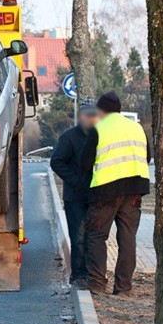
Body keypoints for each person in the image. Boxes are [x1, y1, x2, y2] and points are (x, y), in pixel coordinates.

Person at [81, 91, 151, 295]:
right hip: (135, 189)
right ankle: (123, 287)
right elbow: (147, 157)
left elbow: (85, 163)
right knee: (128, 238)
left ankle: (97, 284)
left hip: (106, 190)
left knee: (96, 236)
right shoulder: (137, 128)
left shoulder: (99, 128)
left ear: (101, 110)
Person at [50, 98, 99, 286]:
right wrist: (75, 181)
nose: (91, 119)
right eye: (87, 115)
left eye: (94, 115)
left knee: (92, 237)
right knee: (78, 237)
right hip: (75, 197)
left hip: (96, 195)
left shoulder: (100, 136)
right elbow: (57, 162)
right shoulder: (69, 137)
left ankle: (91, 273)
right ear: (81, 116)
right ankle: (78, 275)